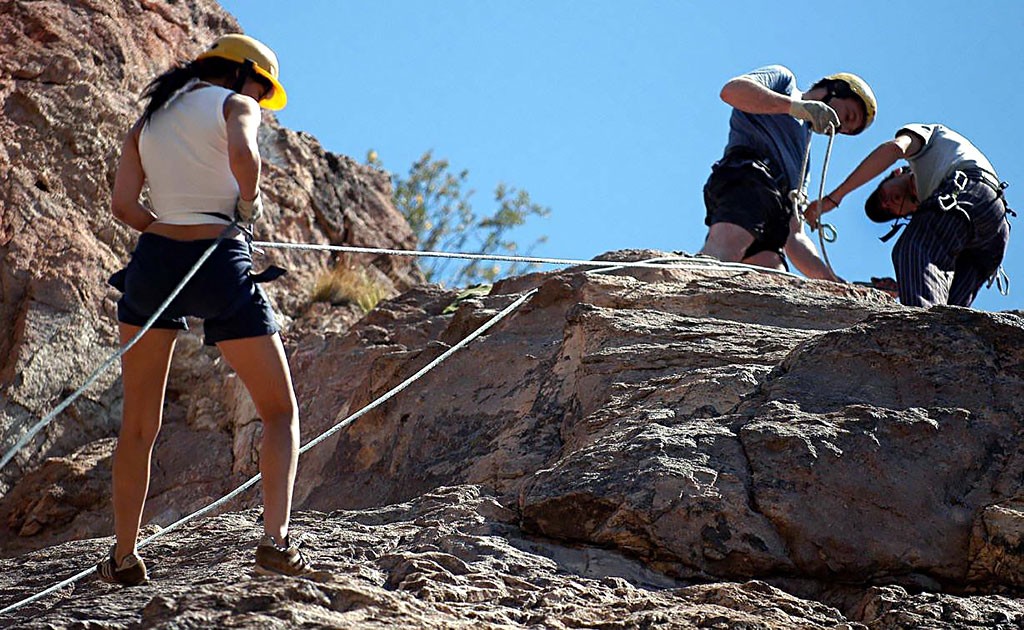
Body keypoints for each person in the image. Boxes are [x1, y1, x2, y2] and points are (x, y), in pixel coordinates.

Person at [99, 34, 310, 585]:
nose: (261, 100)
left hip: (154, 266)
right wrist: (246, 207)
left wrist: (166, 235)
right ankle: (275, 541)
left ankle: (123, 555)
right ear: (241, 75)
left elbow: (123, 205)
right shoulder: (234, 105)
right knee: (279, 411)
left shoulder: (149, 122)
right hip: (219, 258)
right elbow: (245, 156)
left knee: (139, 424)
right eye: (262, 88)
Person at [700, 65, 878, 281]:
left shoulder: (803, 161)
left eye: (845, 131)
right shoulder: (785, 83)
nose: (840, 126)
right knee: (721, 255)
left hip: (775, 212)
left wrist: (835, 283)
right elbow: (732, 91)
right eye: (848, 116)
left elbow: (794, 236)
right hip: (749, 178)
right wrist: (796, 107)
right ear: (837, 89)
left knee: (772, 280)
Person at [805, 124, 1011, 307]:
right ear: (911, 213)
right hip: (991, 229)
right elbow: (933, 269)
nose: (888, 203)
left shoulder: (928, 141)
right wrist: (905, 285)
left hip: (971, 191)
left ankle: (925, 340)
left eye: (883, 195)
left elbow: (895, 148)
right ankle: (943, 344)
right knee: (950, 308)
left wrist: (834, 197)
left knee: (912, 248)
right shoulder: (937, 214)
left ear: (896, 173)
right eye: (890, 211)